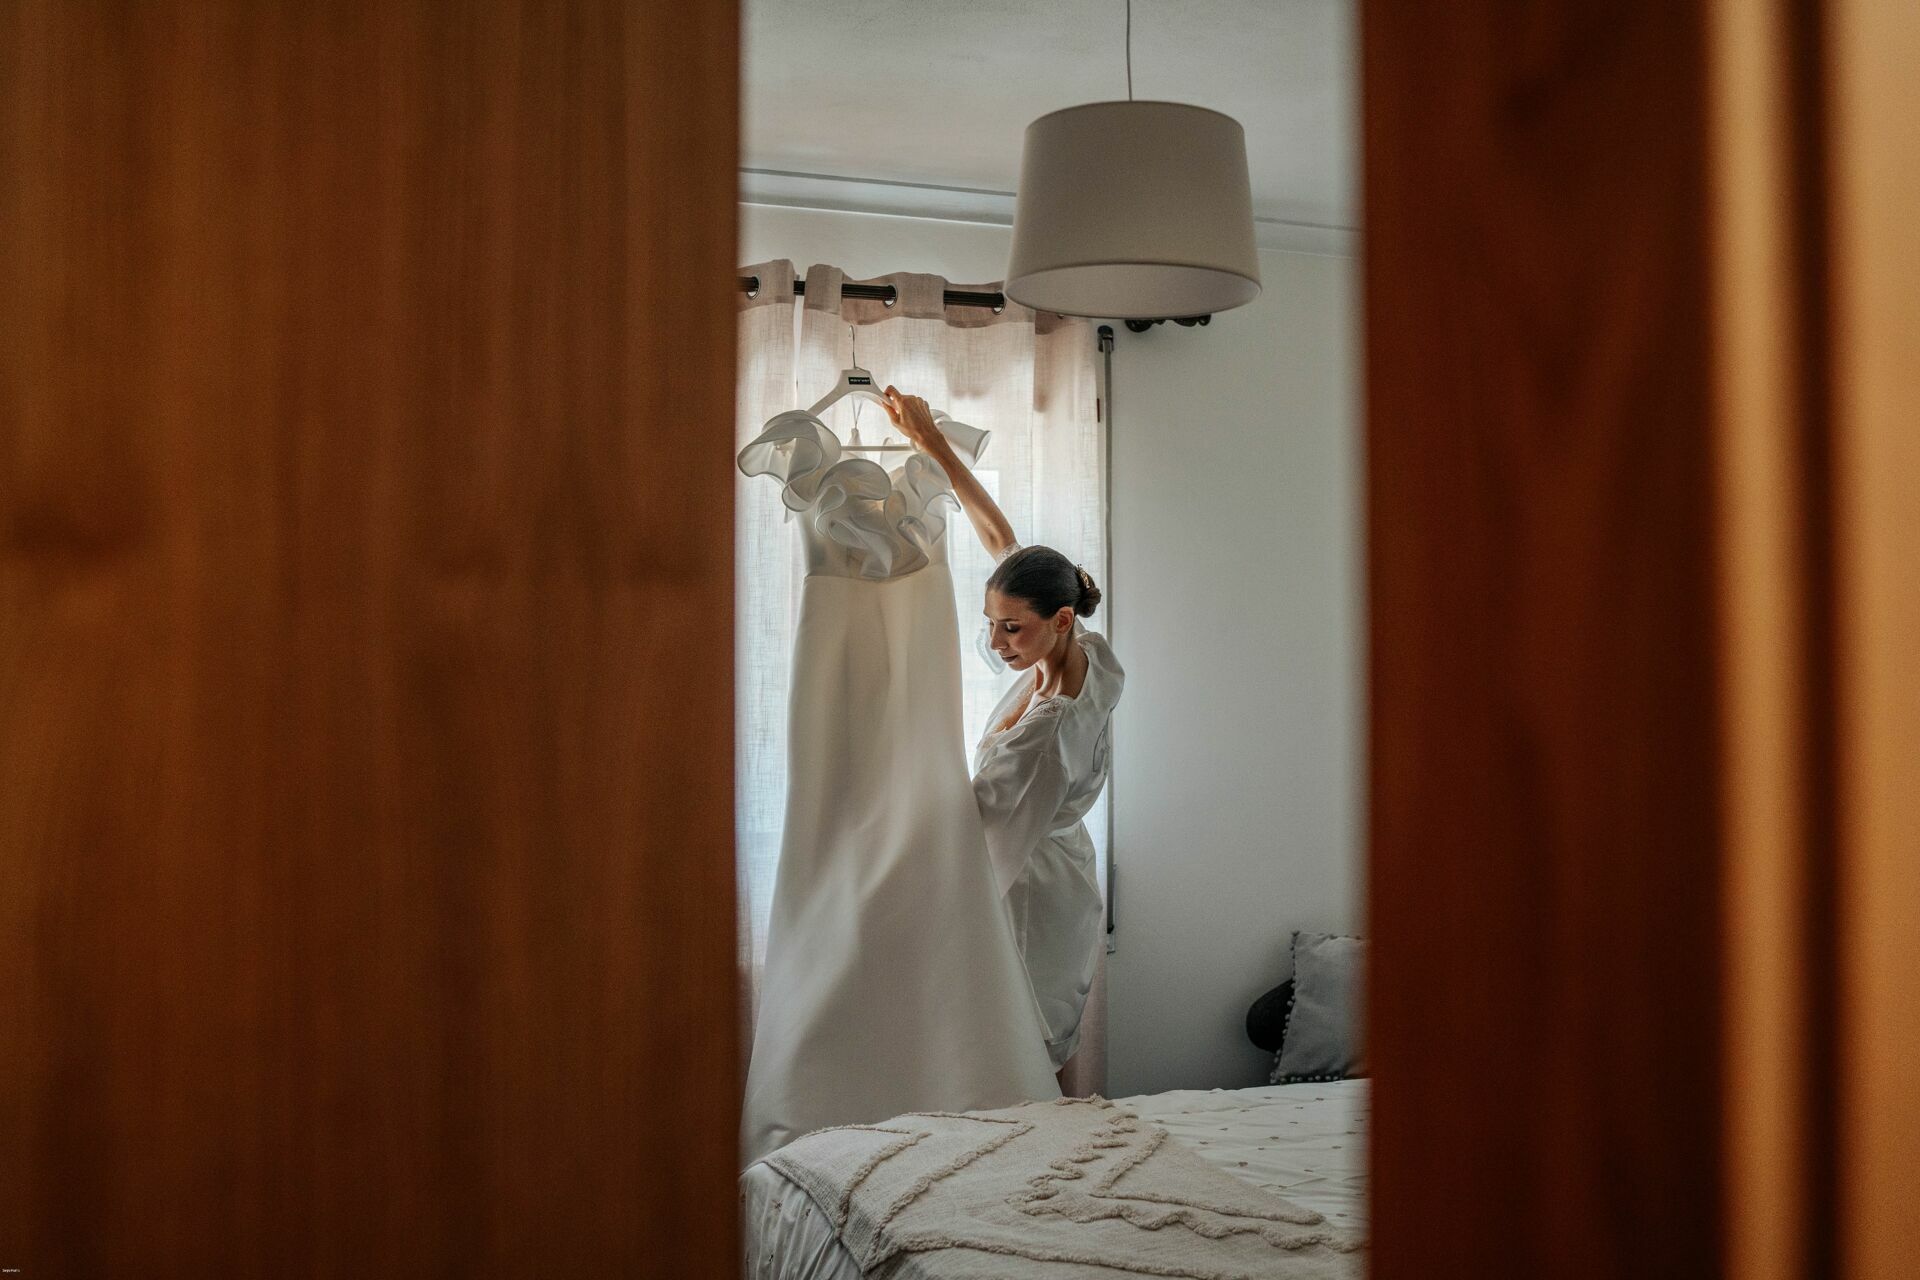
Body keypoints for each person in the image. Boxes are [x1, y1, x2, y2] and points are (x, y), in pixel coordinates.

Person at [881, 386, 1125, 1074]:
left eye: (1010, 628)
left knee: (1013, 1045)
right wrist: (933, 444)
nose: (996, 642)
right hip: (1053, 860)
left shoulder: (1048, 734)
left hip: (1030, 891)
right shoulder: (1084, 649)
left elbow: (974, 816)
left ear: (1061, 619)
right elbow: (1001, 538)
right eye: (991, 621)